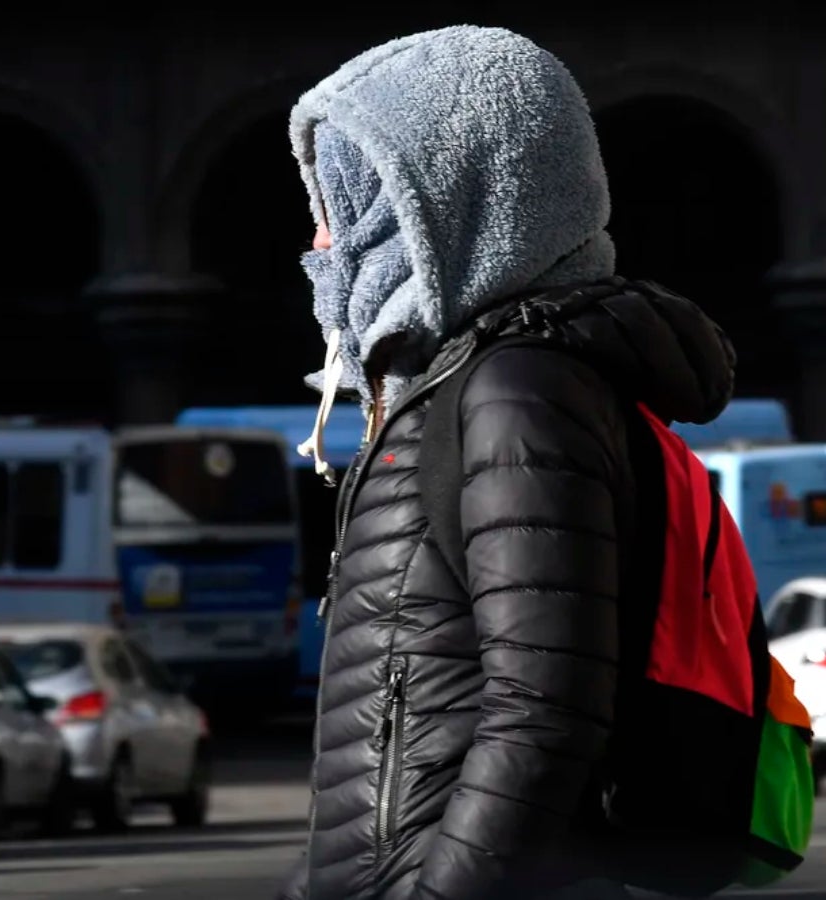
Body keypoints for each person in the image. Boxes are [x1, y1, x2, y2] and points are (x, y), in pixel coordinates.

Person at [279, 24, 736, 900]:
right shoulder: (456, 384)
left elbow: (544, 715)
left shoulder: (515, 390)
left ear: (439, 202)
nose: (319, 241)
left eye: (342, 200)